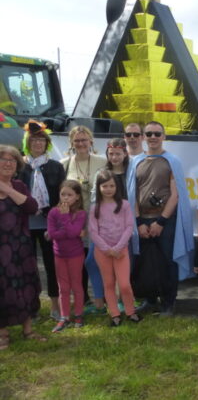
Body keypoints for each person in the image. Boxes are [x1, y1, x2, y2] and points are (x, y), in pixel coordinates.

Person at [127, 121, 194, 316]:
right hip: (142, 221)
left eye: (157, 133)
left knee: (167, 262)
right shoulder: (136, 162)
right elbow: (133, 194)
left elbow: (176, 194)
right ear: (143, 137)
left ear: (164, 136)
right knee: (145, 262)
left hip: (166, 221)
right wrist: (139, 222)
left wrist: (161, 221)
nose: (153, 137)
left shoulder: (172, 161)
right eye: (149, 134)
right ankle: (149, 300)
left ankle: (168, 303)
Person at [0, 145, 46, 349]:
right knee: (2, 289)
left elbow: (32, 207)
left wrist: (7, 188)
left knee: (26, 286)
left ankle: (28, 330)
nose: (7, 163)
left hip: (21, 246)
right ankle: (2, 334)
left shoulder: (18, 186)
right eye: (3, 160)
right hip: (1, 248)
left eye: (12, 160)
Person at [19, 120, 65, 321]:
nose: (38, 143)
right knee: (27, 267)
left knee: (51, 265)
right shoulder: (20, 166)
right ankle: (32, 306)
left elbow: (62, 197)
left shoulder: (56, 167)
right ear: (27, 142)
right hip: (25, 224)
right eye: (34, 139)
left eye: (42, 140)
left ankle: (55, 304)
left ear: (47, 143)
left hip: (48, 224)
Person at [61, 125, 107, 314]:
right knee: (78, 259)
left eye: (84, 140)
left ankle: (102, 296)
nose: (81, 143)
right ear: (71, 143)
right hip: (74, 219)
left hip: (97, 218)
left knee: (96, 259)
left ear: (91, 141)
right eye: (77, 140)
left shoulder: (102, 161)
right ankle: (84, 298)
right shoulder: (64, 164)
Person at [88, 170, 141, 327]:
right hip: (103, 252)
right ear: (98, 188)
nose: (109, 189)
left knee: (124, 284)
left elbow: (129, 227)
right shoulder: (94, 208)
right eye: (105, 186)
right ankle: (114, 313)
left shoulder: (124, 205)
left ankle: (131, 311)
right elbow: (93, 231)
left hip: (121, 251)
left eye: (112, 185)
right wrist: (107, 249)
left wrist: (118, 247)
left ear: (117, 187)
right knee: (109, 283)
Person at [47, 180, 87, 332]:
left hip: (75, 255)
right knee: (63, 287)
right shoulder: (53, 212)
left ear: (77, 197)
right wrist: (69, 232)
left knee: (76, 285)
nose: (65, 198)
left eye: (69, 195)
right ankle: (64, 317)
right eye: (63, 194)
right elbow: (52, 234)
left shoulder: (81, 213)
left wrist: (64, 221)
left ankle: (78, 314)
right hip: (59, 255)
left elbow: (72, 233)